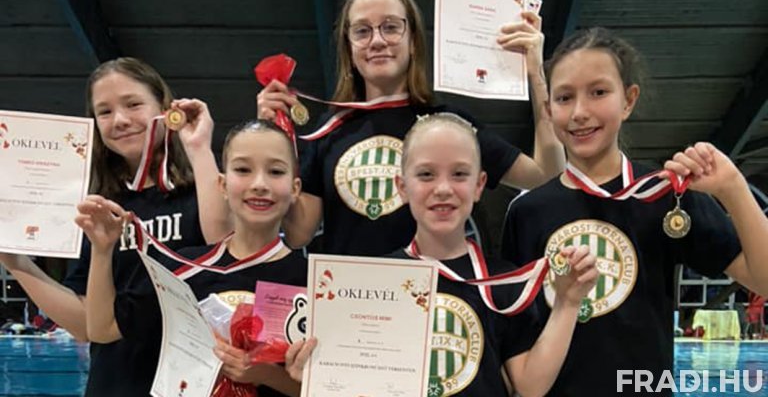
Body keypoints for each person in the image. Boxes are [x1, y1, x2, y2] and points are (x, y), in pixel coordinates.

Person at [501, 27, 768, 396]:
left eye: (598, 92)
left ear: (628, 100)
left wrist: (734, 188)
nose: (580, 112)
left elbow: (763, 281)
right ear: (549, 110)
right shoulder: (527, 212)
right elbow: (514, 340)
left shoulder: (666, 195)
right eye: (564, 97)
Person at [285, 113, 597, 396]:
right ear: (402, 187)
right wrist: (317, 375)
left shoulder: (505, 283)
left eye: (459, 174)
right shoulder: (374, 283)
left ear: (479, 185)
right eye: (426, 175)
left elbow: (530, 386)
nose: (444, 188)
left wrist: (568, 303)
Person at [258, 0, 564, 256]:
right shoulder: (328, 130)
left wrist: (536, 73)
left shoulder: (450, 127)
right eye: (362, 31)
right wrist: (270, 143)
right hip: (348, 294)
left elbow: (546, 177)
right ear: (349, 49)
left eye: (391, 27)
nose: (377, 40)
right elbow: (298, 235)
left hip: (430, 294)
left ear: (414, 41)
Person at [0, 57, 229, 396]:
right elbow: (86, 324)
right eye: (104, 112)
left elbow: (223, 245)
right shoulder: (95, 207)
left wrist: (199, 149)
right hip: (115, 385)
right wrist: (13, 260)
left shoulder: (205, 185)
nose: (120, 120)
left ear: (165, 107)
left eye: (133, 104)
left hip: (196, 386)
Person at [79, 119, 306, 397]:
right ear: (222, 184)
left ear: (295, 188)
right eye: (243, 170)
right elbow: (102, 329)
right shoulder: (181, 268)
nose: (259, 184)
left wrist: (266, 374)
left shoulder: (312, 284)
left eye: (275, 171)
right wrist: (102, 251)